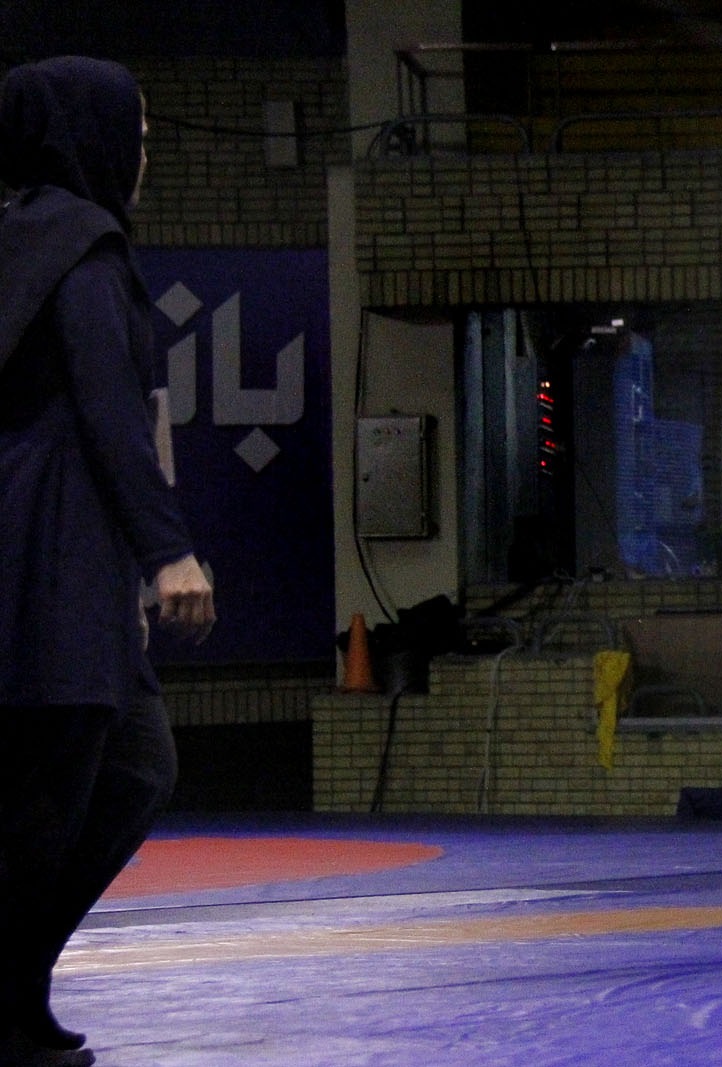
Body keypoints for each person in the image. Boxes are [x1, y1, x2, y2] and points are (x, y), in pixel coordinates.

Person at [0, 56, 216, 1066]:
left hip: (64, 562)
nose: (142, 157)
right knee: (47, 801)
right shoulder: (80, 246)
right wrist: (167, 553)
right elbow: (109, 410)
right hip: (52, 562)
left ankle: (14, 988)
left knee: (135, 766)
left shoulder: (34, 238)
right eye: (136, 137)